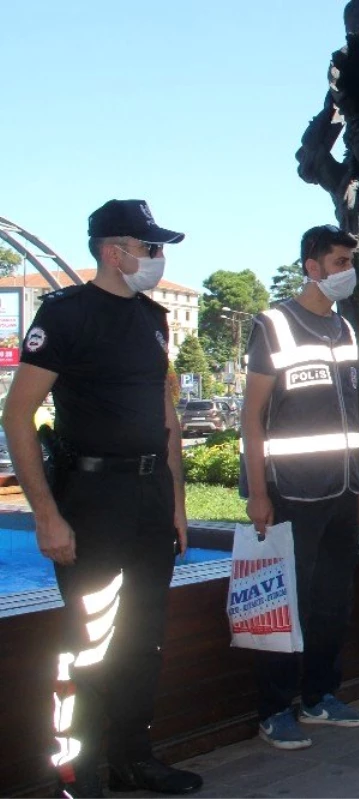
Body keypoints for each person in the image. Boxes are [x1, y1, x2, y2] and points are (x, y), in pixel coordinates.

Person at [0, 200, 202, 798]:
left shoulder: (152, 318)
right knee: (89, 641)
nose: (158, 259)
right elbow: (17, 415)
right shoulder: (66, 316)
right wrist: (46, 514)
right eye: (150, 248)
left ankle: (132, 758)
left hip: (148, 495)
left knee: (144, 639)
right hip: (92, 496)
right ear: (115, 252)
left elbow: (164, 414)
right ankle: (77, 774)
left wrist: (177, 504)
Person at [242, 225, 359, 750]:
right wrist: (257, 493)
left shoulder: (344, 330)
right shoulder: (273, 325)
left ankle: (320, 695)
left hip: (342, 491)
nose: (348, 270)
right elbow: (251, 419)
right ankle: (275, 708)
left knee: (332, 602)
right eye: (339, 261)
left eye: (350, 261)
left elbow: (353, 419)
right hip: (291, 491)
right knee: (287, 601)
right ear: (312, 266)